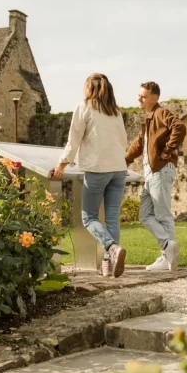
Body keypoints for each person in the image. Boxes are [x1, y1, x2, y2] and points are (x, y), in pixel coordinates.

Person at [50, 73, 130, 278]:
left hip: (98, 169)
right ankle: (108, 263)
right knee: (112, 218)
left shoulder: (85, 107)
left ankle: (112, 248)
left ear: (89, 88)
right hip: (119, 169)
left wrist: (61, 165)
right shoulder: (116, 112)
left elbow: (73, 140)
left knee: (89, 218)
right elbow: (123, 140)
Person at [125, 81, 186, 271]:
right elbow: (138, 144)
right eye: (139, 95)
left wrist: (168, 150)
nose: (139, 99)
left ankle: (167, 258)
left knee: (162, 215)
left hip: (160, 170)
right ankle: (168, 247)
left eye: (143, 96)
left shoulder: (161, 113)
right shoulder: (149, 120)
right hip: (151, 174)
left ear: (155, 97)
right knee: (144, 215)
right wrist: (124, 159)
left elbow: (180, 127)